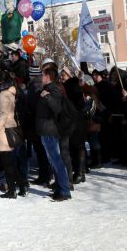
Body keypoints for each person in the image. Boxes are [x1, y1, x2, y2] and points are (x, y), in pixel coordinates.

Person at [0, 72, 27, 198]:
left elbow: (4, 114)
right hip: (6, 129)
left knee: (8, 164)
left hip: (3, 132)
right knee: (11, 163)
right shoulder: (8, 93)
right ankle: (21, 186)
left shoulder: (4, 94)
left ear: (0, 82)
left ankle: (12, 191)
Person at [37, 67, 72, 201]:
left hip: (50, 130)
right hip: (45, 129)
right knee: (53, 161)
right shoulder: (48, 89)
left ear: (47, 76)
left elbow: (57, 108)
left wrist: (47, 97)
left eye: (42, 75)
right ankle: (59, 188)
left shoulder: (53, 89)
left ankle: (64, 191)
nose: (41, 77)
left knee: (57, 161)